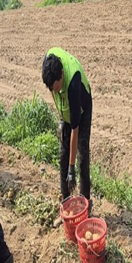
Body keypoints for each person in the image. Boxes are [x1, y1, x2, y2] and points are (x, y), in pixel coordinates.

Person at [41, 47, 92, 203]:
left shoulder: (73, 85)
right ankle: (66, 199)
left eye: (56, 88)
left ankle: (85, 203)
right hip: (67, 111)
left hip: (82, 110)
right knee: (63, 153)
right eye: (51, 89)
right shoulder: (49, 66)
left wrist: (72, 169)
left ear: (62, 74)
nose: (54, 92)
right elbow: (53, 91)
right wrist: (62, 118)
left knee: (81, 158)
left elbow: (75, 131)